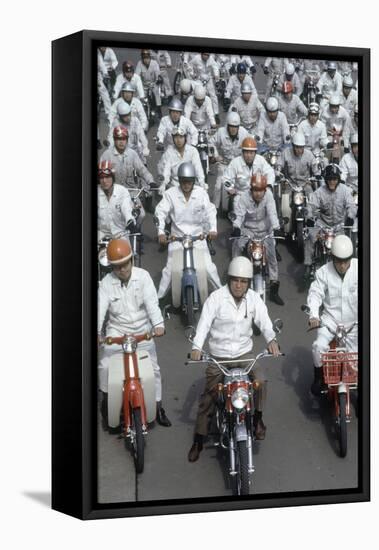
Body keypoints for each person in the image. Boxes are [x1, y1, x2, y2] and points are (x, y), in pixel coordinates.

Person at [187, 256, 281, 462]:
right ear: (229, 279)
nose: (239, 285)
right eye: (235, 280)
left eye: (244, 281)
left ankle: (257, 419)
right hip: (219, 356)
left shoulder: (254, 299)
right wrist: (196, 347)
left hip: (244, 354)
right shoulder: (216, 298)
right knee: (208, 398)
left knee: (261, 381)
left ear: (248, 283)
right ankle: (198, 440)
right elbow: (203, 324)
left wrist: (271, 339)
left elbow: (264, 321)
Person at [98, 239, 172, 427]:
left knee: (154, 370)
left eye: (126, 264)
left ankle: (158, 406)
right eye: (117, 266)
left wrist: (158, 325)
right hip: (116, 331)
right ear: (112, 267)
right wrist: (97, 332)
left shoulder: (144, 277)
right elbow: (100, 309)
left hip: (142, 331)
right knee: (105, 366)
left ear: (132, 260)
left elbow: (152, 304)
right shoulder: (106, 283)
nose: (123, 269)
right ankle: (107, 402)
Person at [155, 162, 221, 300]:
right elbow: (160, 212)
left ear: (194, 181)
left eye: (189, 181)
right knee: (169, 270)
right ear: (179, 180)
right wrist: (161, 232)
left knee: (209, 268)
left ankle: (223, 296)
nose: (186, 185)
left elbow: (210, 210)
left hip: (198, 238)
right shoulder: (170, 194)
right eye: (183, 181)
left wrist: (213, 229)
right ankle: (158, 300)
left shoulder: (201, 193)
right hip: (177, 238)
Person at [306, 235, 357, 395]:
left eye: (346, 260)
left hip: (354, 324)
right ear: (332, 258)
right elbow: (315, 294)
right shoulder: (323, 272)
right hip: (330, 323)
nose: (342, 265)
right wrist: (314, 316)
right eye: (338, 261)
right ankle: (319, 378)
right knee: (318, 347)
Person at [232, 173, 285, 304]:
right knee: (237, 246)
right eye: (255, 190)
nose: (258, 194)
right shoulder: (244, 198)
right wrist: (236, 227)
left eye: (261, 190)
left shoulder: (269, 196)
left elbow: (272, 213)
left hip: (264, 232)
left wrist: (276, 227)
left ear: (264, 190)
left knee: (272, 256)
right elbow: (239, 215)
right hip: (248, 231)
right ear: (251, 189)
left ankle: (274, 288)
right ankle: (234, 278)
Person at [303, 163, 357, 280]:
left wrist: (350, 217)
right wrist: (309, 218)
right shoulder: (319, 192)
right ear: (326, 180)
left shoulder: (345, 191)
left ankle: (351, 265)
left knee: (350, 240)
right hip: (322, 225)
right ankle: (308, 265)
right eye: (329, 179)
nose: (332, 182)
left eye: (334, 179)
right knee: (310, 237)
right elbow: (311, 206)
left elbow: (351, 206)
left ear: (338, 179)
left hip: (340, 226)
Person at [100, 126, 155, 227]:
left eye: (123, 139)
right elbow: (100, 174)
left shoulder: (132, 154)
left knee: (141, 214)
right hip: (113, 192)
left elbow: (142, 170)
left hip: (131, 192)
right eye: (118, 139)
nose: (121, 142)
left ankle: (136, 235)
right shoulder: (107, 155)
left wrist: (151, 181)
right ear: (114, 139)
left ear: (127, 140)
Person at [209, 111, 249, 209]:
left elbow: (251, 144)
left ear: (239, 127)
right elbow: (211, 142)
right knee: (218, 186)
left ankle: (246, 207)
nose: (233, 129)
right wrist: (215, 155)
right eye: (231, 126)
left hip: (239, 165)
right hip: (224, 164)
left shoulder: (244, 133)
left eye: (235, 127)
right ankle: (215, 209)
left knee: (245, 185)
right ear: (227, 125)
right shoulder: (221, 132)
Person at [223, 136, 275, 203]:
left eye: (251, 153)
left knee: (269, 198)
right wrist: (230, 189)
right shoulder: (235, 163)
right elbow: (226, 179)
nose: (249, 156)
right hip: (241, 195)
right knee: (236, 205)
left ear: (255, 153)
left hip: (258, 194)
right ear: (242, 152)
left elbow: (270, 172)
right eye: (246, 152)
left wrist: (269, 186)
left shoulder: (260, 160)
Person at [158, 127, 206, 194]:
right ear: (173, 139)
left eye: (181, 137)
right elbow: (166, 170)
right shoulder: (169, 152)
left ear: (185, 138)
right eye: (176, 137)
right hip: (174, 187)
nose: (178, 140)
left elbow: (198, 169)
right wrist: (163, 184)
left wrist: (202, 183)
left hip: (190, 186)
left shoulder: (193, 151)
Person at [97, 160, 134, 242]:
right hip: (101, 234)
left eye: (107, 177)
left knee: (127, 254)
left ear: (113, 178)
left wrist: (130, 220)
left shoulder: (122, 191)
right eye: (101, 178)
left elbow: (126, 208)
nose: (104, 181)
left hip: (120, 234)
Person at [279, 132, 316, 196]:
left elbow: (315, 168)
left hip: (305, 184)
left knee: (311, 196)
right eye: (297, 147)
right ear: (293, 145)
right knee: (285, 198)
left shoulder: (309, 154)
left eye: (301, 147)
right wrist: (278, 172)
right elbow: (279, 165)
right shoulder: (286, 153)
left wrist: (316, 175)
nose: (299, 150)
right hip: (290, 184)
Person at [189, 52, 220, 123]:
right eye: (205, 55)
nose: (206, 57)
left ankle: (216, 114)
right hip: (200, 80)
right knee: (198, 95)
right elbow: (189, 65)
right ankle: (194, 113)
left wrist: (216, 75)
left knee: (213, 96)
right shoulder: (196, 58)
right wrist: (192, 74)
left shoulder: (211, 59)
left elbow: (215, 67)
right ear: (201, 54)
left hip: (209, 80)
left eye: (207, 55)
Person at [135, 49, 162, 118]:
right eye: (144, 58)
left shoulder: (154, 63)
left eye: (147, 58)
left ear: (149, 57)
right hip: (143, 85)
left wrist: (158, 78)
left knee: (156, 93)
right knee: (138, 97)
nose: (146, 60)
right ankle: (138, 112)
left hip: (153, 84)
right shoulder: (139, 63)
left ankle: (159, 109)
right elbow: (136, 75)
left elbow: (157, 73)